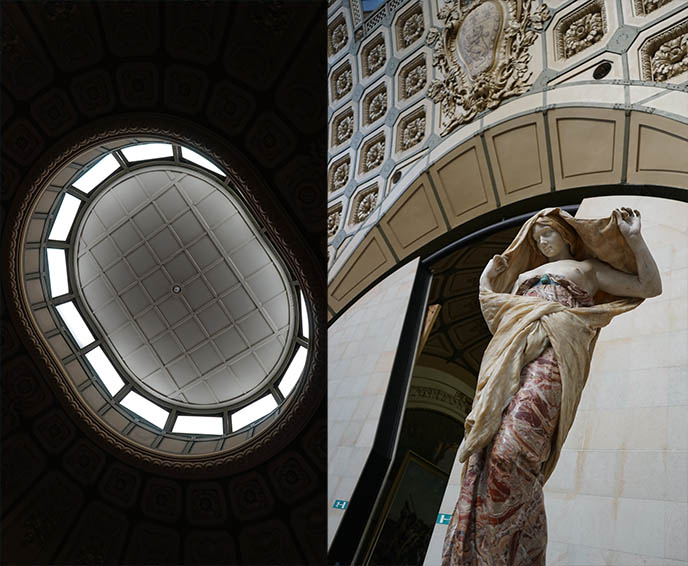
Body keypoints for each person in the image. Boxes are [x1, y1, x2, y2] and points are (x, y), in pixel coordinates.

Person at [441, 207, 661, 566]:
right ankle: (509, 553)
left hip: (557, 353)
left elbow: (649, 287)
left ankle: (509, 549)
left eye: (548, 234)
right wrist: (485, 281)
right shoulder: (525, 276)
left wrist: (635, 240)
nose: (543, 242)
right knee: (488, 452)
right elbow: (500, 314)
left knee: (511, 452)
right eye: (537, 237)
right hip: (510, 355)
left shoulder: (586, 270)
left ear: (566, 235)